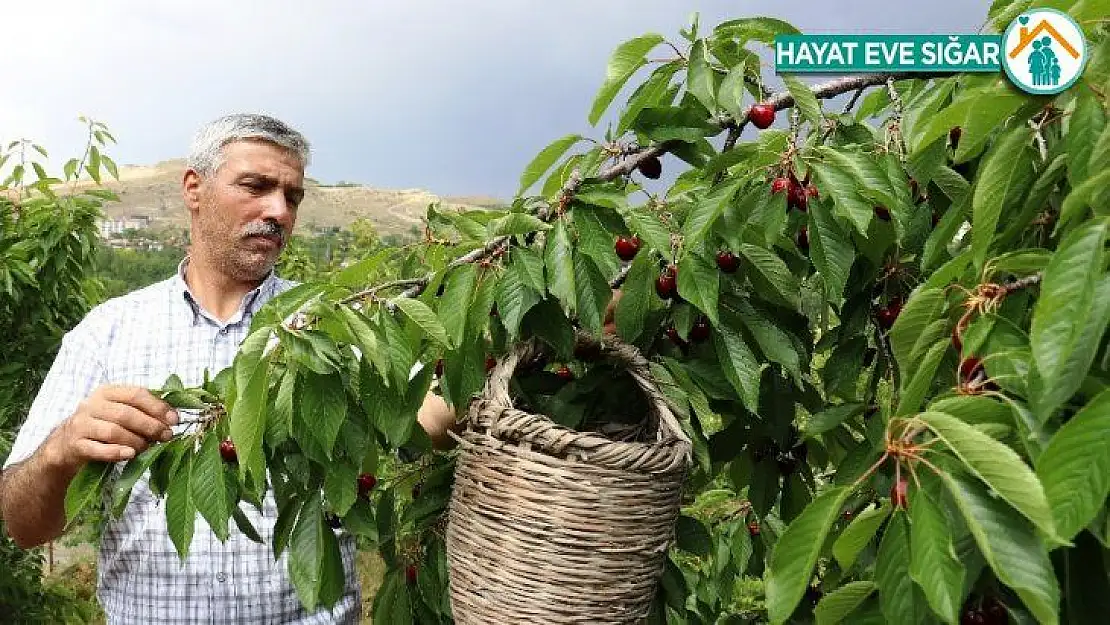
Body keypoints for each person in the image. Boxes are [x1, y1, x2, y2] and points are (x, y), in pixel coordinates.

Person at [0, 113, 456, 624]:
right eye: (256, 186)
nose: (278, 211)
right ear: (194, 189)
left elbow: (420, 418)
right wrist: (60, 450)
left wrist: (483, 385)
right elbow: (23, 525)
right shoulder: (105, 334)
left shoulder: (334, 323)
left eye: (293, 197)